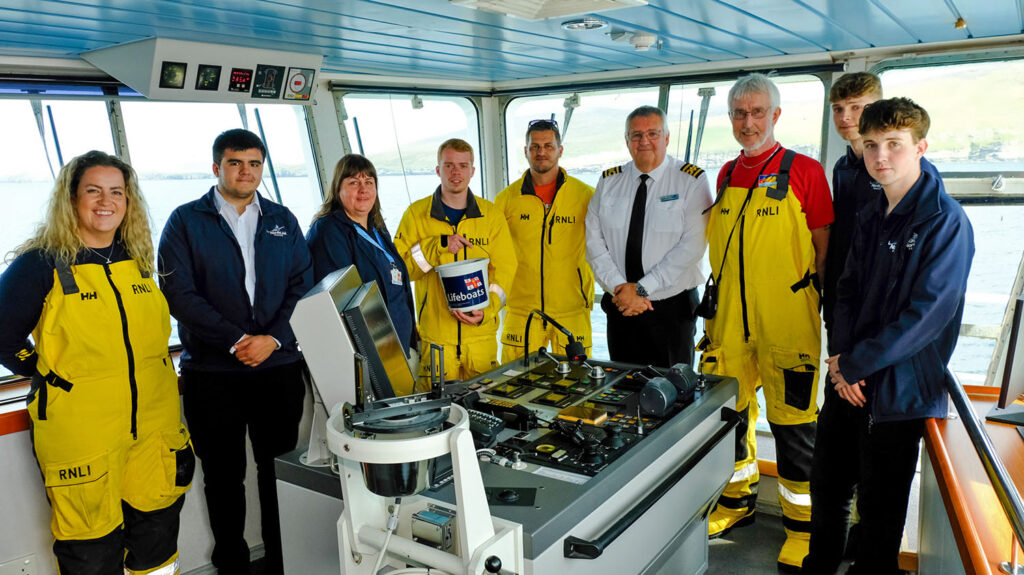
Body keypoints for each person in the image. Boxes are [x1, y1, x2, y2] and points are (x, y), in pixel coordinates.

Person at [802, 98, 975, 575]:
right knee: (828, 489)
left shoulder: (945, 221)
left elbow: (927, 316)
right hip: (848, 378)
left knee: (879, 514)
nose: (881, 157)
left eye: (894, 145)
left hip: (899, 392)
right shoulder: (871, 210)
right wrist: (839, 358)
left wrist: (855, 365)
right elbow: (846, 288)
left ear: (921, 146)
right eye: (872, 145)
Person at [0, 151, 193, 575]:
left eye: (116, 192)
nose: (106, 201)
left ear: (129, 201)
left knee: (157, 541)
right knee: (90, 551)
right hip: (81, 432)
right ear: (71, 199)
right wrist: (46, 373)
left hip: (155, 427)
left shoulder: (138, 258)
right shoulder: (41, 263)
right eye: (93, 190)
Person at [158, 128, 312, 575]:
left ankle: (284, 562)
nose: (246, 171)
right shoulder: (185, 221)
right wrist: (236, 341)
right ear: (216, 167)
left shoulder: (283, 219)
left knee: (276, 472)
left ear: (262, 168)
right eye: (235, 162)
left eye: (254, 164)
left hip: (278, 368)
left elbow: (303, 286)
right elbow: (178, 293)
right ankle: (232, 566)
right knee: (223, 479)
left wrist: (273, 339)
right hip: (212, 374)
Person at [698, 73, 834, 572]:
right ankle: (737, 504)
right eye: (739, 113)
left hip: (787, 323)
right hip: (730, 324)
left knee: (795, 426)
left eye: (757, 112)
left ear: (775, 116)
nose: (747, 122)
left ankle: (803, 530)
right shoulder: (727, 173)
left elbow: (824, 248)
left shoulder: (806, 172)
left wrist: (827, 313)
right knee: (731, 420)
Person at [585, 105, 712, 366]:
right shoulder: (609, 182)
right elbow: (593, 243)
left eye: (653, 133)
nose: (644, 141)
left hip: (671, 309)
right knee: (622, 391)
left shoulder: (691, 180)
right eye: (636, 135)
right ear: (627, 140)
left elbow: (692, 247)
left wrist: (642, 289)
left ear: (666, 137)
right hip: (621, 305)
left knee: (674, 396)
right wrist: (622, 289)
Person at [393, 138, 516, 381]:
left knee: (485, 409)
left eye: (462, 165)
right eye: (449, 165)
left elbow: (505, 270)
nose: (456, 172)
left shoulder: (491, 216)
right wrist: (436, 247)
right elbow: (400, 272)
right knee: (439, 415)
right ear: (438, 170)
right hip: (436, 338)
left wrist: (488, 309)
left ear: (472, 171)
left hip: (481, 336)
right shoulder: (416, 215)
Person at [494, 119, 595, 363]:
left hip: (572, 308)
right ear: (526, 151)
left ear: (560, 150)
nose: (542, 152)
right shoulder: (506, 200)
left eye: (548, 146)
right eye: (535, 146)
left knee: (577, 384)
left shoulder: (586, 196)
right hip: (521, 311)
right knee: (516, 384)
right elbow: (493, 254)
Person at [306, 154, 416, 358]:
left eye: (369, 182)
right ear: (338, 189)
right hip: (366, 352)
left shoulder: (377, 228)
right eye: (354, 182)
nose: (363, 189)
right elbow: (339, 299)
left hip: (396, 344)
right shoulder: (328, 230)